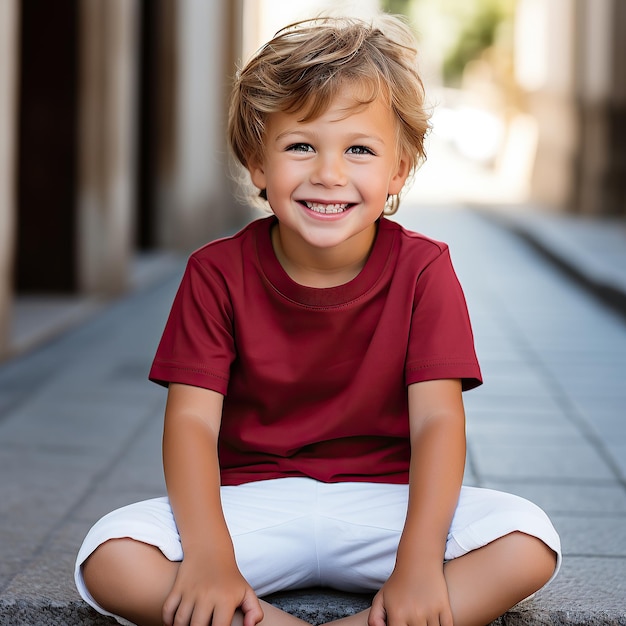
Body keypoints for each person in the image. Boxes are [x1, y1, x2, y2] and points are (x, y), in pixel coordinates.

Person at [75, 14, 561, 626]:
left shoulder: (424, 269)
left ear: (397, 172)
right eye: (300, 145)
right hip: (248, 504)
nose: (329, 173)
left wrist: (417, 566)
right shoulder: (215, 272)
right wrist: (209, 557)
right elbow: (192, 424)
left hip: (388, 507)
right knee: (111, 558)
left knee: (528, 541)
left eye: (359, 149)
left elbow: (438, 419)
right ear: (257, 165)